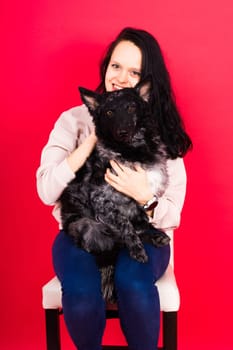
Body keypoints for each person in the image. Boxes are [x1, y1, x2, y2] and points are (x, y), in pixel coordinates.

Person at [36, 27, 192, 350]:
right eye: (115, 66)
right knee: (79, 290)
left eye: (134, 72)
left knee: (132, 281)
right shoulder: (74, 120)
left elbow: (172, 213)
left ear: (147, 84)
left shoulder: (159, 131)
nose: (120, 77)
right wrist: (94, 137)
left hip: (143, 234)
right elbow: (46, 190)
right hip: (84, 232)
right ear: (106, 68)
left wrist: (144, 195)